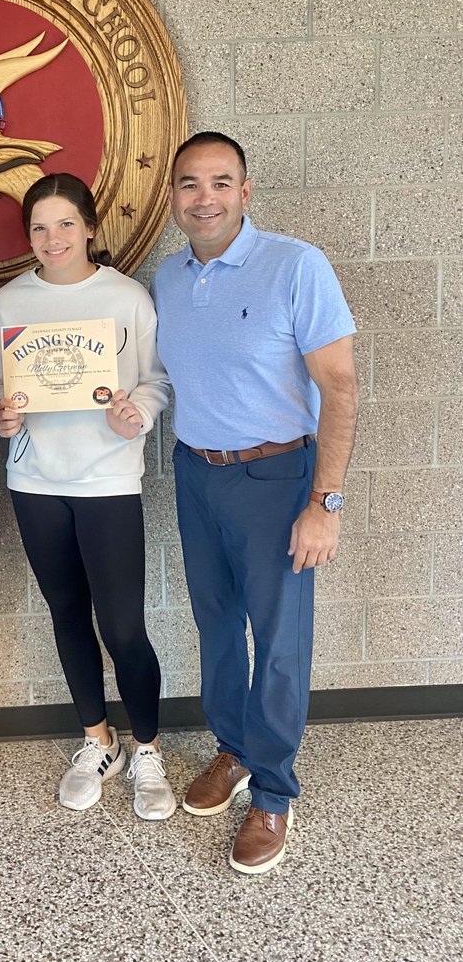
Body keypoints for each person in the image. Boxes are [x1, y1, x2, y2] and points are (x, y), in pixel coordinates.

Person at [152, 131, 359, 875]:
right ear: (172, 196)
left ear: (246, 191)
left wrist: (324, 502)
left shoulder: (295, 266)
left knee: (277, 641)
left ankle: (273, 791)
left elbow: (340, 386)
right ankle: (233, 749)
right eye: (188, 183)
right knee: (215, 623)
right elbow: (167, 380)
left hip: (278, 481)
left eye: (220, 182)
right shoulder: (166, 278)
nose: (203, 197)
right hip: (196, 471)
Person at [0, 173, 174, 820]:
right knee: (67, 613)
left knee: (122, 626)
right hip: (36, 481)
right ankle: (99, 741)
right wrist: (1, 420)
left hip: (107, 480)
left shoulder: (127, 299)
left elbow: (155, 381)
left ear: (91, 227)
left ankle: (147, 749)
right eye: (39, 227)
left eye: (65, 224)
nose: (52, 238)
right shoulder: (9, 303)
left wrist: (138, 413)